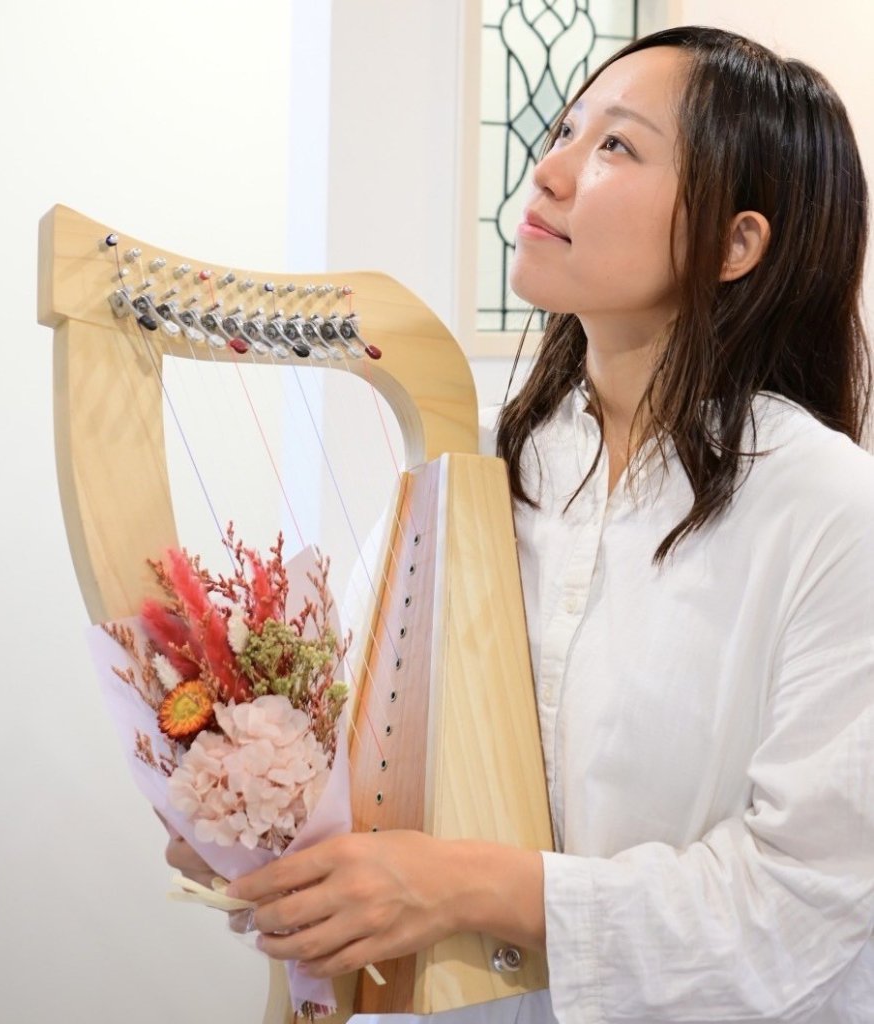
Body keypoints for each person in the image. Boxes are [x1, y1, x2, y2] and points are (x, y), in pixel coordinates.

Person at [169, 25, 874, 1023]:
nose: (547, 171)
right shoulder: (484, 466)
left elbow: (803, 908)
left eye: (616, 145)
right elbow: (356, 752)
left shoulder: (832, 511)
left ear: (735, 243)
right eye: (563, 131)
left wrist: (462, 886)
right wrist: (262, 824)